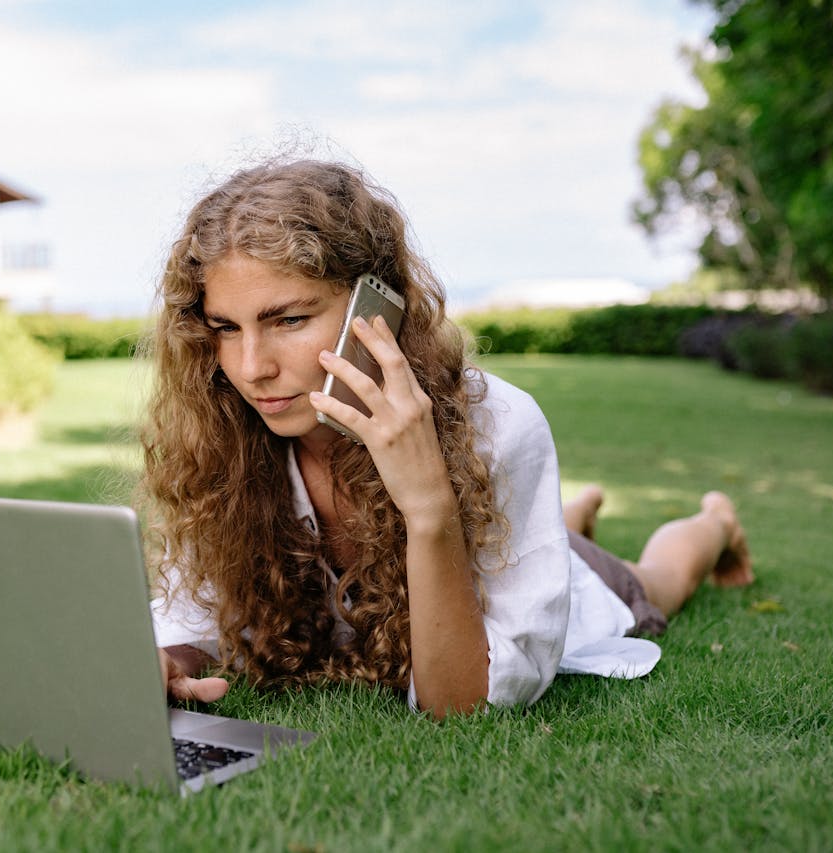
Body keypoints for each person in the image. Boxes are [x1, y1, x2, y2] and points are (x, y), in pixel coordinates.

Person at [140, 159, 753, 719]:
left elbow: (461, 704)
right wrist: (173, 662)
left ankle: (715, 524)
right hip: (507, 547)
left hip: (557, 574)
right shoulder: (225, 431)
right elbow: (190, 624)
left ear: (375, 307)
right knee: (550, 535)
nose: (251, 368)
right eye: (225, 327)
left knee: (656, 580)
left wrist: (429, 504)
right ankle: (572, 515)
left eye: (289, 319)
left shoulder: (499, 427)